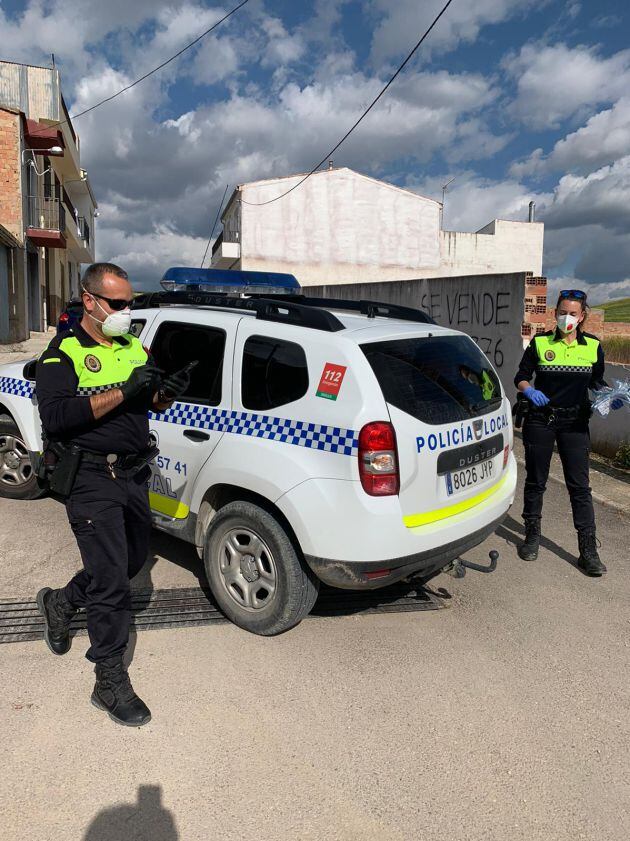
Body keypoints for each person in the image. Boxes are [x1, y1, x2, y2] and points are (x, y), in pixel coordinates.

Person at [35, 262, 190, 726]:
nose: (127, 310)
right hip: (89, 478)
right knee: (111, 584)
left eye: (131, 302)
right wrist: (125, 391)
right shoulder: (62, 354)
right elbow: (58, 418)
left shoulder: (132, 346)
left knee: (127, 563)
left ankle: (60, 603)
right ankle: (108, 681)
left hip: (133, 473)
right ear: (90, 301)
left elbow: (148, 399)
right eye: (118, 303)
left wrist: (166, 395)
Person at [514, 289, 607, 575]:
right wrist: (530, 391)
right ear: (555, 313)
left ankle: (588, 550)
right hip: (541, 419)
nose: (567, 317)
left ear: (582, 317)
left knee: (580, 487)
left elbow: (597, 383)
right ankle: (532, 536)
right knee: (536, 480)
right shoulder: (541, 343)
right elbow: (521, 377)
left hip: (575, 424)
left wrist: (609, 395)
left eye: (573, 313)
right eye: (563, 311)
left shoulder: (592, 346)